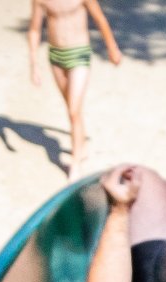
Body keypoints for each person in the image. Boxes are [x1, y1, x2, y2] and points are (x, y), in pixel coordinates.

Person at [28, 0, 122, 179]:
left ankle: (75, 163)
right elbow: (34, 28)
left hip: (79, 53)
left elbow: (100, 19)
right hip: (56, 55)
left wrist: (112, 48)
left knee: (73, 110)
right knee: (72, 109)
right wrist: (34, 64)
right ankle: (81, 142)